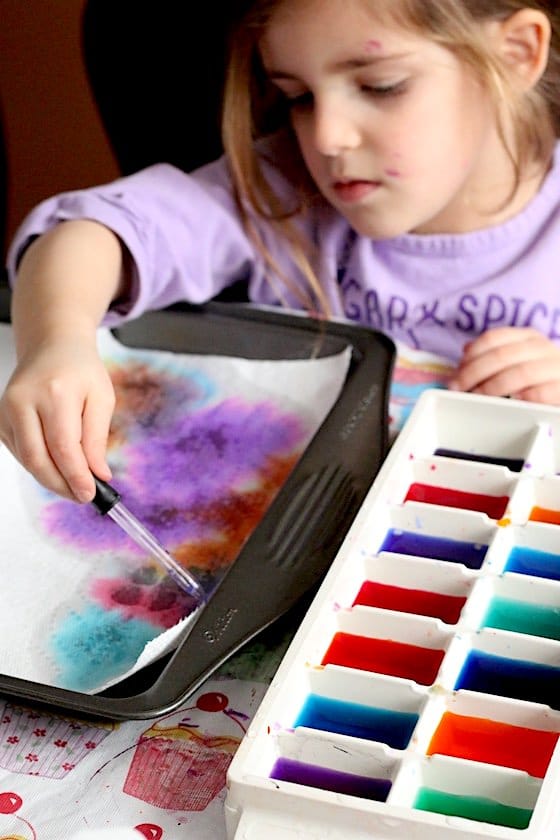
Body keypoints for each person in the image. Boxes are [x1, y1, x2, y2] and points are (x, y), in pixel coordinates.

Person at [0, 0, 559, 506]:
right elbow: (88, 231)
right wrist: (56, 342)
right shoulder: (281, 192)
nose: (327, 137)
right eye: (299, 98)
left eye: (380, 85)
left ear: (515, 54)